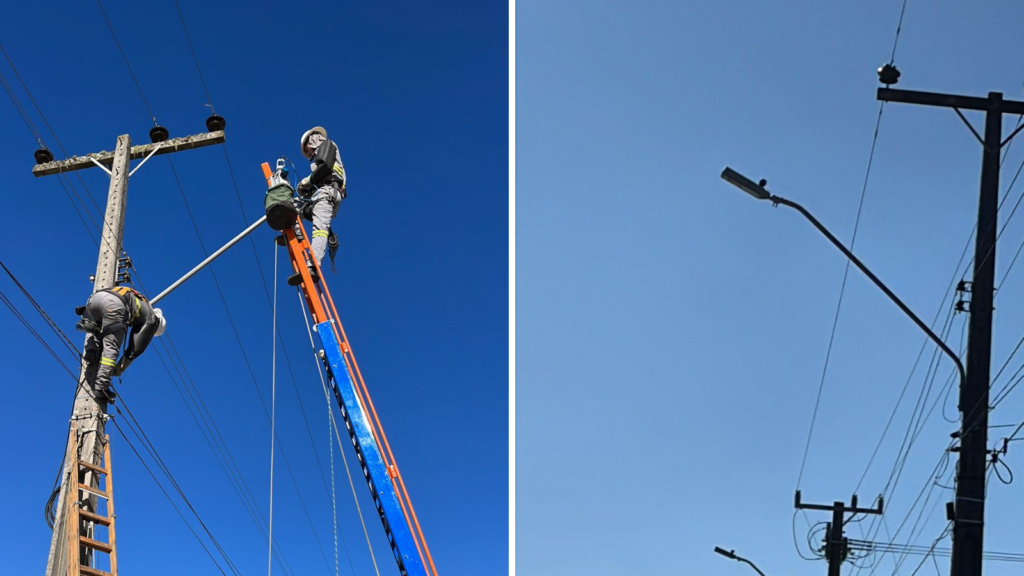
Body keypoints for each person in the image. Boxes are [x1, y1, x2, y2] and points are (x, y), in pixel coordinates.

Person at [75, 286, 166, 403]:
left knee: (98, 330)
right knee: (111, 347)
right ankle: (101, 386)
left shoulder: (141, 301)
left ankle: (91, 351)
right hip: (114, 305)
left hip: (94, 299)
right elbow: (134, 349)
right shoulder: (152, 320)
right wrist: (118, 369)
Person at [297, 126, 346, 272]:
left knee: (319, 230)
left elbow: (324, 168)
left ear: (312, 140)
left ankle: (313, 265)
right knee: (294, 208)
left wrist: (307, 181)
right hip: (324, 193)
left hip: (328, 193)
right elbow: (321, 176)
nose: (309, 155)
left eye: (308, 150)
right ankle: (295, 230)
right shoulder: (325, 156)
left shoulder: (327, 146)